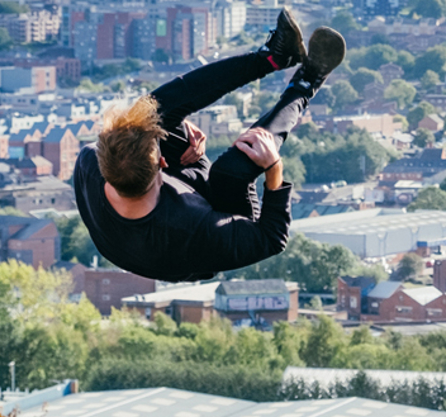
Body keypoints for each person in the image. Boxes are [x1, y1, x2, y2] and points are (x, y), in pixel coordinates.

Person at [73, 10, 343, 282]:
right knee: (231, 169)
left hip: (159, 203)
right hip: (193, 240)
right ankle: (306, 83)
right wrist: (274, 169)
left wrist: (175, 126)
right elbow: (272, 240)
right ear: (162, 163)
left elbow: (132, 134)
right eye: (159, 141)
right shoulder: (196, 230)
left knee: (148, 111)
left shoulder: (90, 164)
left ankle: (273, 57)